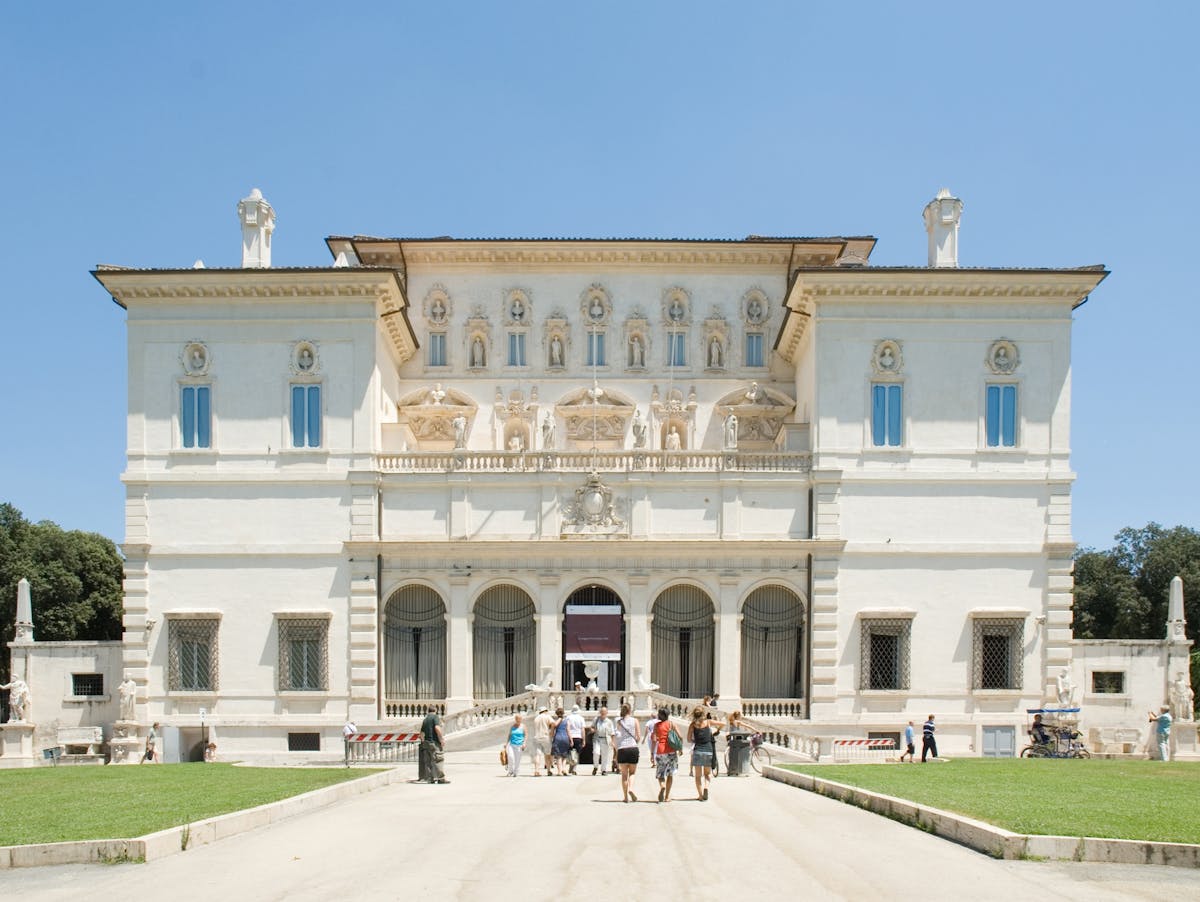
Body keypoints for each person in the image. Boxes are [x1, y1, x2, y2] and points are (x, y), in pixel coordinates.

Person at [687, 705, 723, 801]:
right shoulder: (708, 722)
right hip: (708, 750)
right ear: (703, 714)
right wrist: (717, 730)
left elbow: (688, 739)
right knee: (707, 774)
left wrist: (695, 740)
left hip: (698, 751)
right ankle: (706, 787)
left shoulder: (692, 725)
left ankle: (700, 795)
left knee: (698, 776)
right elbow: (723, 723)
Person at [614, 703, 641, 803]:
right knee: (632, 773)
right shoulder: (635, 721)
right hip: (633, 748)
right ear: (630, 710)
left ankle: (625, 797)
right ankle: (631, 788)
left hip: (622, 749)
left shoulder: (619, 722)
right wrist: (635, 741)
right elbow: (638, 736)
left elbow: (617, 736)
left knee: (624, 775)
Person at [650, 708, 678, 802]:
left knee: (660, 773)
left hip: (661, 750)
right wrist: (680, 748)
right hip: (671, 750)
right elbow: (680, 736)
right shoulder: (671, 724)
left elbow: (654, 740)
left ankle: (662, 786)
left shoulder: (656, 725)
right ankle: (667, 797)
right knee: (670, 774)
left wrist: (652, 753)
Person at [420, 705, 450, 784]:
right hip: (434, 742)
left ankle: (430, 779)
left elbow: (421, 733)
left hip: (426, 743)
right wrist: (441, 739)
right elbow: (437, 728)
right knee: (438, 760)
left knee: (428, 762)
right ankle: (441, 779)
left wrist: (423, 742)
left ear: (428, 711)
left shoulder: (425, 720)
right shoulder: (435, 717)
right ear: (435, 710)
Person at [592, 706, 615, 776]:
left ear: (606, 713)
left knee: (605, 755)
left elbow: (612, 732)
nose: (602, 714)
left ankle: (603, 770)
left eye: (604, 712)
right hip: (597, 738)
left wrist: (612, 741)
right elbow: (592, 727)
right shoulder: (596, 719)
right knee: (596, 752)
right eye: (601, 712)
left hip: (606, 739)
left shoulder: (609, 722)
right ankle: (595, 767)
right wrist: (593, 730)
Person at [532, 706, 554, 776]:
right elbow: (553, 723)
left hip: (537, 737)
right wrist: (551, 731)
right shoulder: (547, 716)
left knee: (537, 755)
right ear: (545, 711)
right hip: (545, 737)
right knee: (547, 754)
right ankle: (549, 770)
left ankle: (536, 770)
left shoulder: (536, 718)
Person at [566, 704, 587, 774]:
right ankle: (574, 768)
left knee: (570, 752)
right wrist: (584, 740)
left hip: (570, 736)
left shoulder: (568, 718)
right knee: (577, 753)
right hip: (578, 737)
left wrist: (570, 738)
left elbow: (567, 728)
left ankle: (571, 766)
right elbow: (583, 730)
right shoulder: (581, 718)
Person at [550, 706, 570, 775]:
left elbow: (553, 729)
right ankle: (564, 769)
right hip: (565, 738)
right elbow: (568, 731)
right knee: (564, 755)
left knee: (558, 756)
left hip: (558, 738)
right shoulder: (567, 721)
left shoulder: (556, 721)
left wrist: (551, 737)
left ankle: (559, 771)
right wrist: (571, 740)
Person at [505, 713, 526, 777]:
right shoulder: (512, 726)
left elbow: (525, 735)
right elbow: (509, 735)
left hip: (519, 745)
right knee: (510, 757)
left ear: (521, 719)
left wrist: (524, 743)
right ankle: (510, 771)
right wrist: (506, 743)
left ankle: (516, 771)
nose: (518, 720)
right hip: (511, 744)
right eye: (516, 719)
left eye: (519, 719)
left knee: (517, 760)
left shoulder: (523, 726)